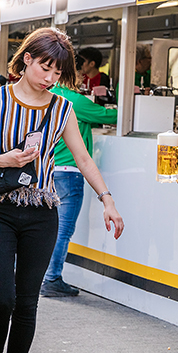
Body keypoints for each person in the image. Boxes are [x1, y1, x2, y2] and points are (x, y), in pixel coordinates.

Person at [0, 28, 123, 352]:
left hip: (42, 212)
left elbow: (83, 158)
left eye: (57, 72)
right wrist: (5, 159)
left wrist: (107, 200)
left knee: (27, 303)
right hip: (1, 208)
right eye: (45, 67)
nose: (50, 77)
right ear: (26, 59)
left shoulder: (62, 108)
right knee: (3, 299)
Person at [40, 76, 118, 298]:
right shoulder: (74, 101)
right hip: (70, 173)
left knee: (46, 228)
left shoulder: (49, 98)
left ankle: (39, 276)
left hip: (49, 171)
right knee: (63, 230)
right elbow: (113, 116)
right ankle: (52, 278)